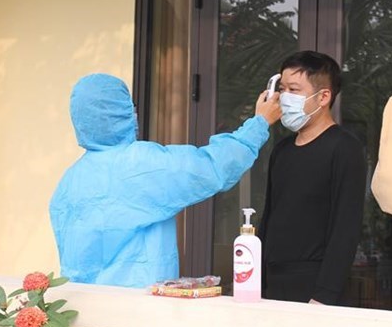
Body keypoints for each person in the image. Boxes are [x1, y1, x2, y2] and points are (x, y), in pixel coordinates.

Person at [49, 73, 281, 288]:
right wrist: (259, 123)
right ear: (121, 113)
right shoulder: (140, 164)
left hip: (86, 310)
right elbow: (212, 166)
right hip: (138, 308)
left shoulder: (69, 181)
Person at [258, 51, 365, 305]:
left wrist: (324, 294)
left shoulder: (345, 148)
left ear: (324, 96)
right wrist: (256, 281)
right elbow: (270, 215)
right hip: (273, 281)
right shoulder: (282, 149)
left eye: (294, 90)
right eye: (281, 89)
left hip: (314, 283)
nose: (284, 98)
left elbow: (346, 226)